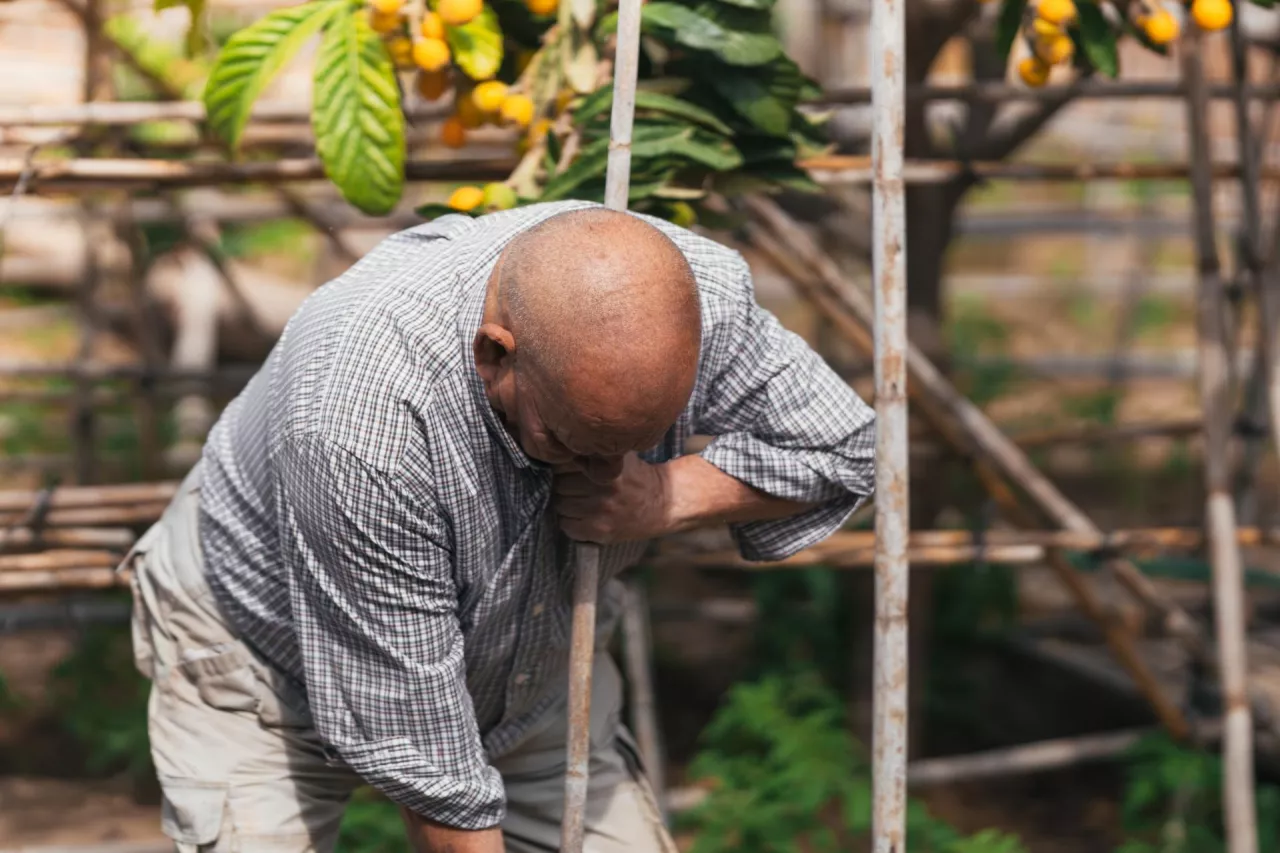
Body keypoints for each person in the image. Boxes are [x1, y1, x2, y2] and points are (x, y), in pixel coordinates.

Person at [123, 201, 875, 853]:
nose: (606, 468)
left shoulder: (700, 297)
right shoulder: (360, 422)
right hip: (261, 657)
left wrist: (665, 497)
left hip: (527, 660)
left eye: (634, 441)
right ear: (494, 353)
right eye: (576, 440)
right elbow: (425, 758)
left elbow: (846, 446)